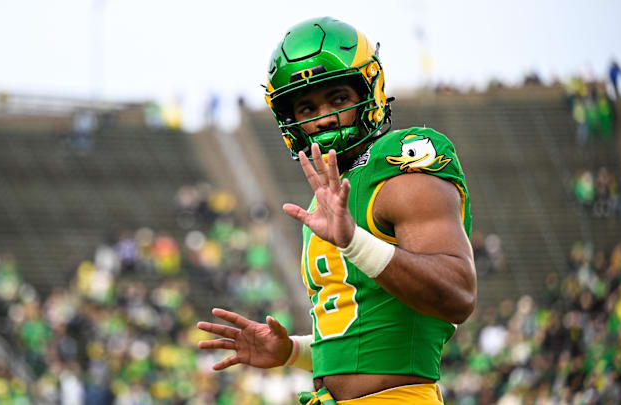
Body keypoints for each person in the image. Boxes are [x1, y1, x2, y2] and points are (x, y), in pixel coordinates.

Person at [197, 17, 476, 404]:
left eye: (338, 99)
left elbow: (458, 294)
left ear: (370, 88)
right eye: (307, 106)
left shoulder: (400, 161)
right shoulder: (326, 196)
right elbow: (365, 337)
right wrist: (291, 352)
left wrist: (353, 240)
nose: (324, 117)